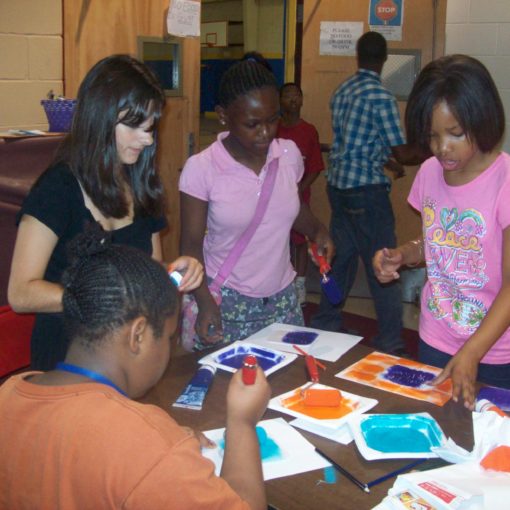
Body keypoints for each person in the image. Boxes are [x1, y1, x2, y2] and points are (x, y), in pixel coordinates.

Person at [0, 226, 271, 509]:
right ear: (138, 335)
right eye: (169, 337)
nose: (169, 348)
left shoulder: (9, 393)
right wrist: (242, 423)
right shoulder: (147, 450)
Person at [8, 55, 203, 371]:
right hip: (67, 359)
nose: (148, 138)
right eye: (134, 126)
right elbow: (21, 292)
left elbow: (147, 274)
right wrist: (97, 297)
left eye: (151, 126)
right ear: (100, 118)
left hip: (125, 361)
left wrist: (175, 270)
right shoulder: (58, 188)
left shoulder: (140, 184)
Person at [373, 54, 510, 409]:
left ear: (483, 120)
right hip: (436, 335)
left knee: (487, 449)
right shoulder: (430, 173)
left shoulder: (505, 181)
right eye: (432, 136)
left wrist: (472, 352)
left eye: (455, 134)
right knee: (435, 432)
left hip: (494, 351)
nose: (441, 148)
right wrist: (403, 254)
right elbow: (434, 242)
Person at [179, 60, 334, 350]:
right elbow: (189, 248)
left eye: (272, 120)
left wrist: (318, 230)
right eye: (252, 124)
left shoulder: (287, 155)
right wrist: (205, 302)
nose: (266, 132)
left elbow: (288, 204)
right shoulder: (202, 168)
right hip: (227, 304)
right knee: (227, 390)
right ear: (224, 116)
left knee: (287, 388)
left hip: (284, 303)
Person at [310, 31, 423, 356]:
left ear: (358, 57)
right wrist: (432, 151)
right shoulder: (381, 97)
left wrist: (384, 159)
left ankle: (327, 320)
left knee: (342, 259)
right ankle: (389, 340)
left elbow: (354, 144)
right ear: (384, 59)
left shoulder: (343, 90)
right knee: (384, 262)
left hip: (338, 188)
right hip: (366, 194)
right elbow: (403, 153)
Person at [277, 82, 325, 305]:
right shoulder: (274, 129)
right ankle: (279, 284)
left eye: (296, 95)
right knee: (277, 241)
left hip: (299, 197)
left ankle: (300, 285)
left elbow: (316, 167)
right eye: (287, 96)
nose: (292, 100)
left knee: (299, 243)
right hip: (274, 198)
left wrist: (299, 188)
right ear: (280, 101)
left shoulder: (308, 131)